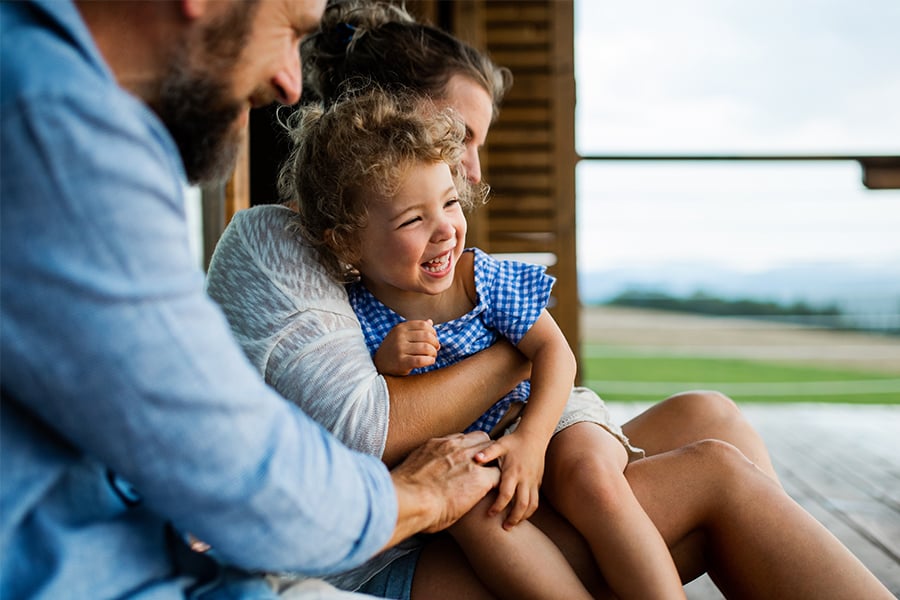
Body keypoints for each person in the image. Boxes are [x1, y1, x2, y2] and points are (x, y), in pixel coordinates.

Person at [206, 2, 894, 598]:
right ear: (377, 124)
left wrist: (536, 384)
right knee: (717, 479)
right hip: (396, 551)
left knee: (712, 417)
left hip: (475, 476)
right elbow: (367, 427)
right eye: (460, 137)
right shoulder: (280, 244)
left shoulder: (420, 259)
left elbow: (526, 356)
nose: (469, 169)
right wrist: (522, 352)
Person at [0, 1, 503, 598]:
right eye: (288, 31)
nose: (291, 83)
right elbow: (229, 459)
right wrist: (419, 496)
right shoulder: (56, 122)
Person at [284, 87, 685, 600]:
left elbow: (555, 354)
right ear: (346, 241)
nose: (445, 231)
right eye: (413, 219)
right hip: (470, 452)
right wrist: (384, 363)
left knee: (589, 476)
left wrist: (532, 442)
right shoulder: (352, 315)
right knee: (475, 515)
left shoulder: (480, 279)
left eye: (450, 203)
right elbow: (370, 413)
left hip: (543, 411)